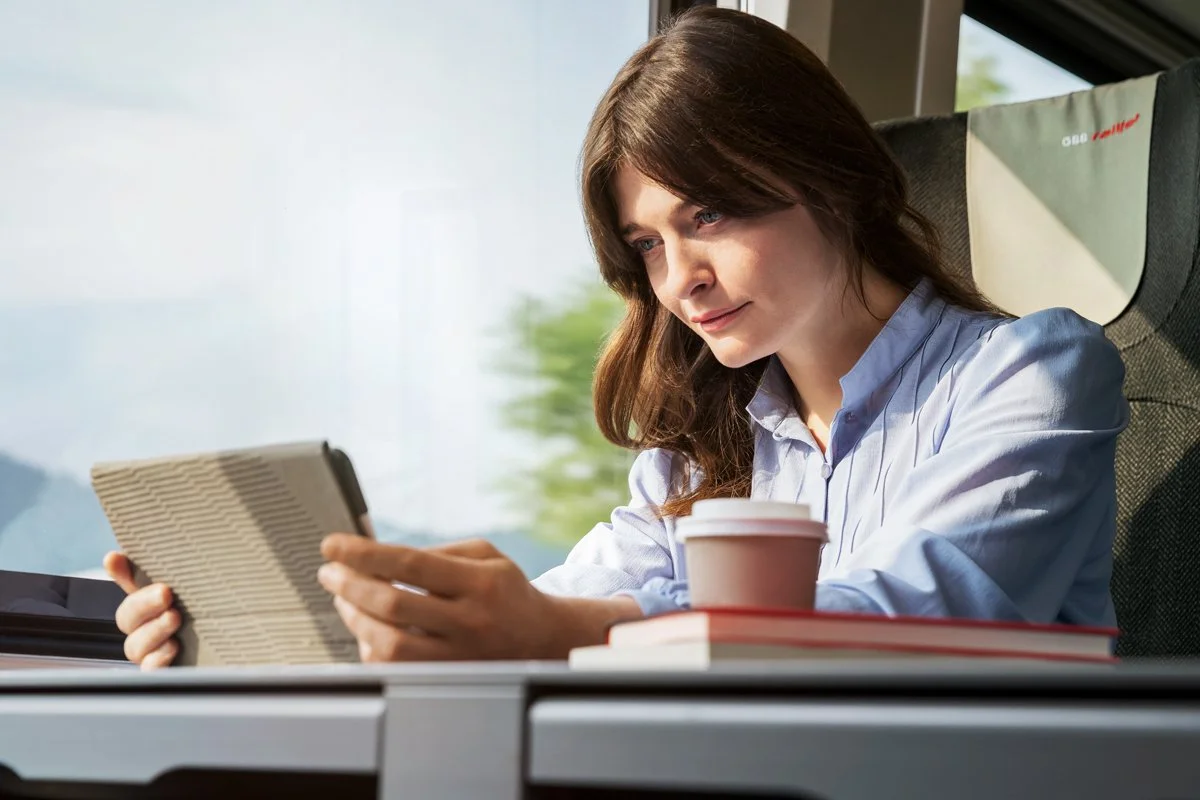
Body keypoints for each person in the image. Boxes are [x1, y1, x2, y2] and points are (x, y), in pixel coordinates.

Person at [104, 6, 1128, 669]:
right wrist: (277, 625)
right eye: (647, 243)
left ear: (833, 180)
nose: (679, 280)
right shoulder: (702, 456)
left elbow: (912, 617)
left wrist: (554, 634)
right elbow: (559, 601)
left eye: (710, 215)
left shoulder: (1033, 373)